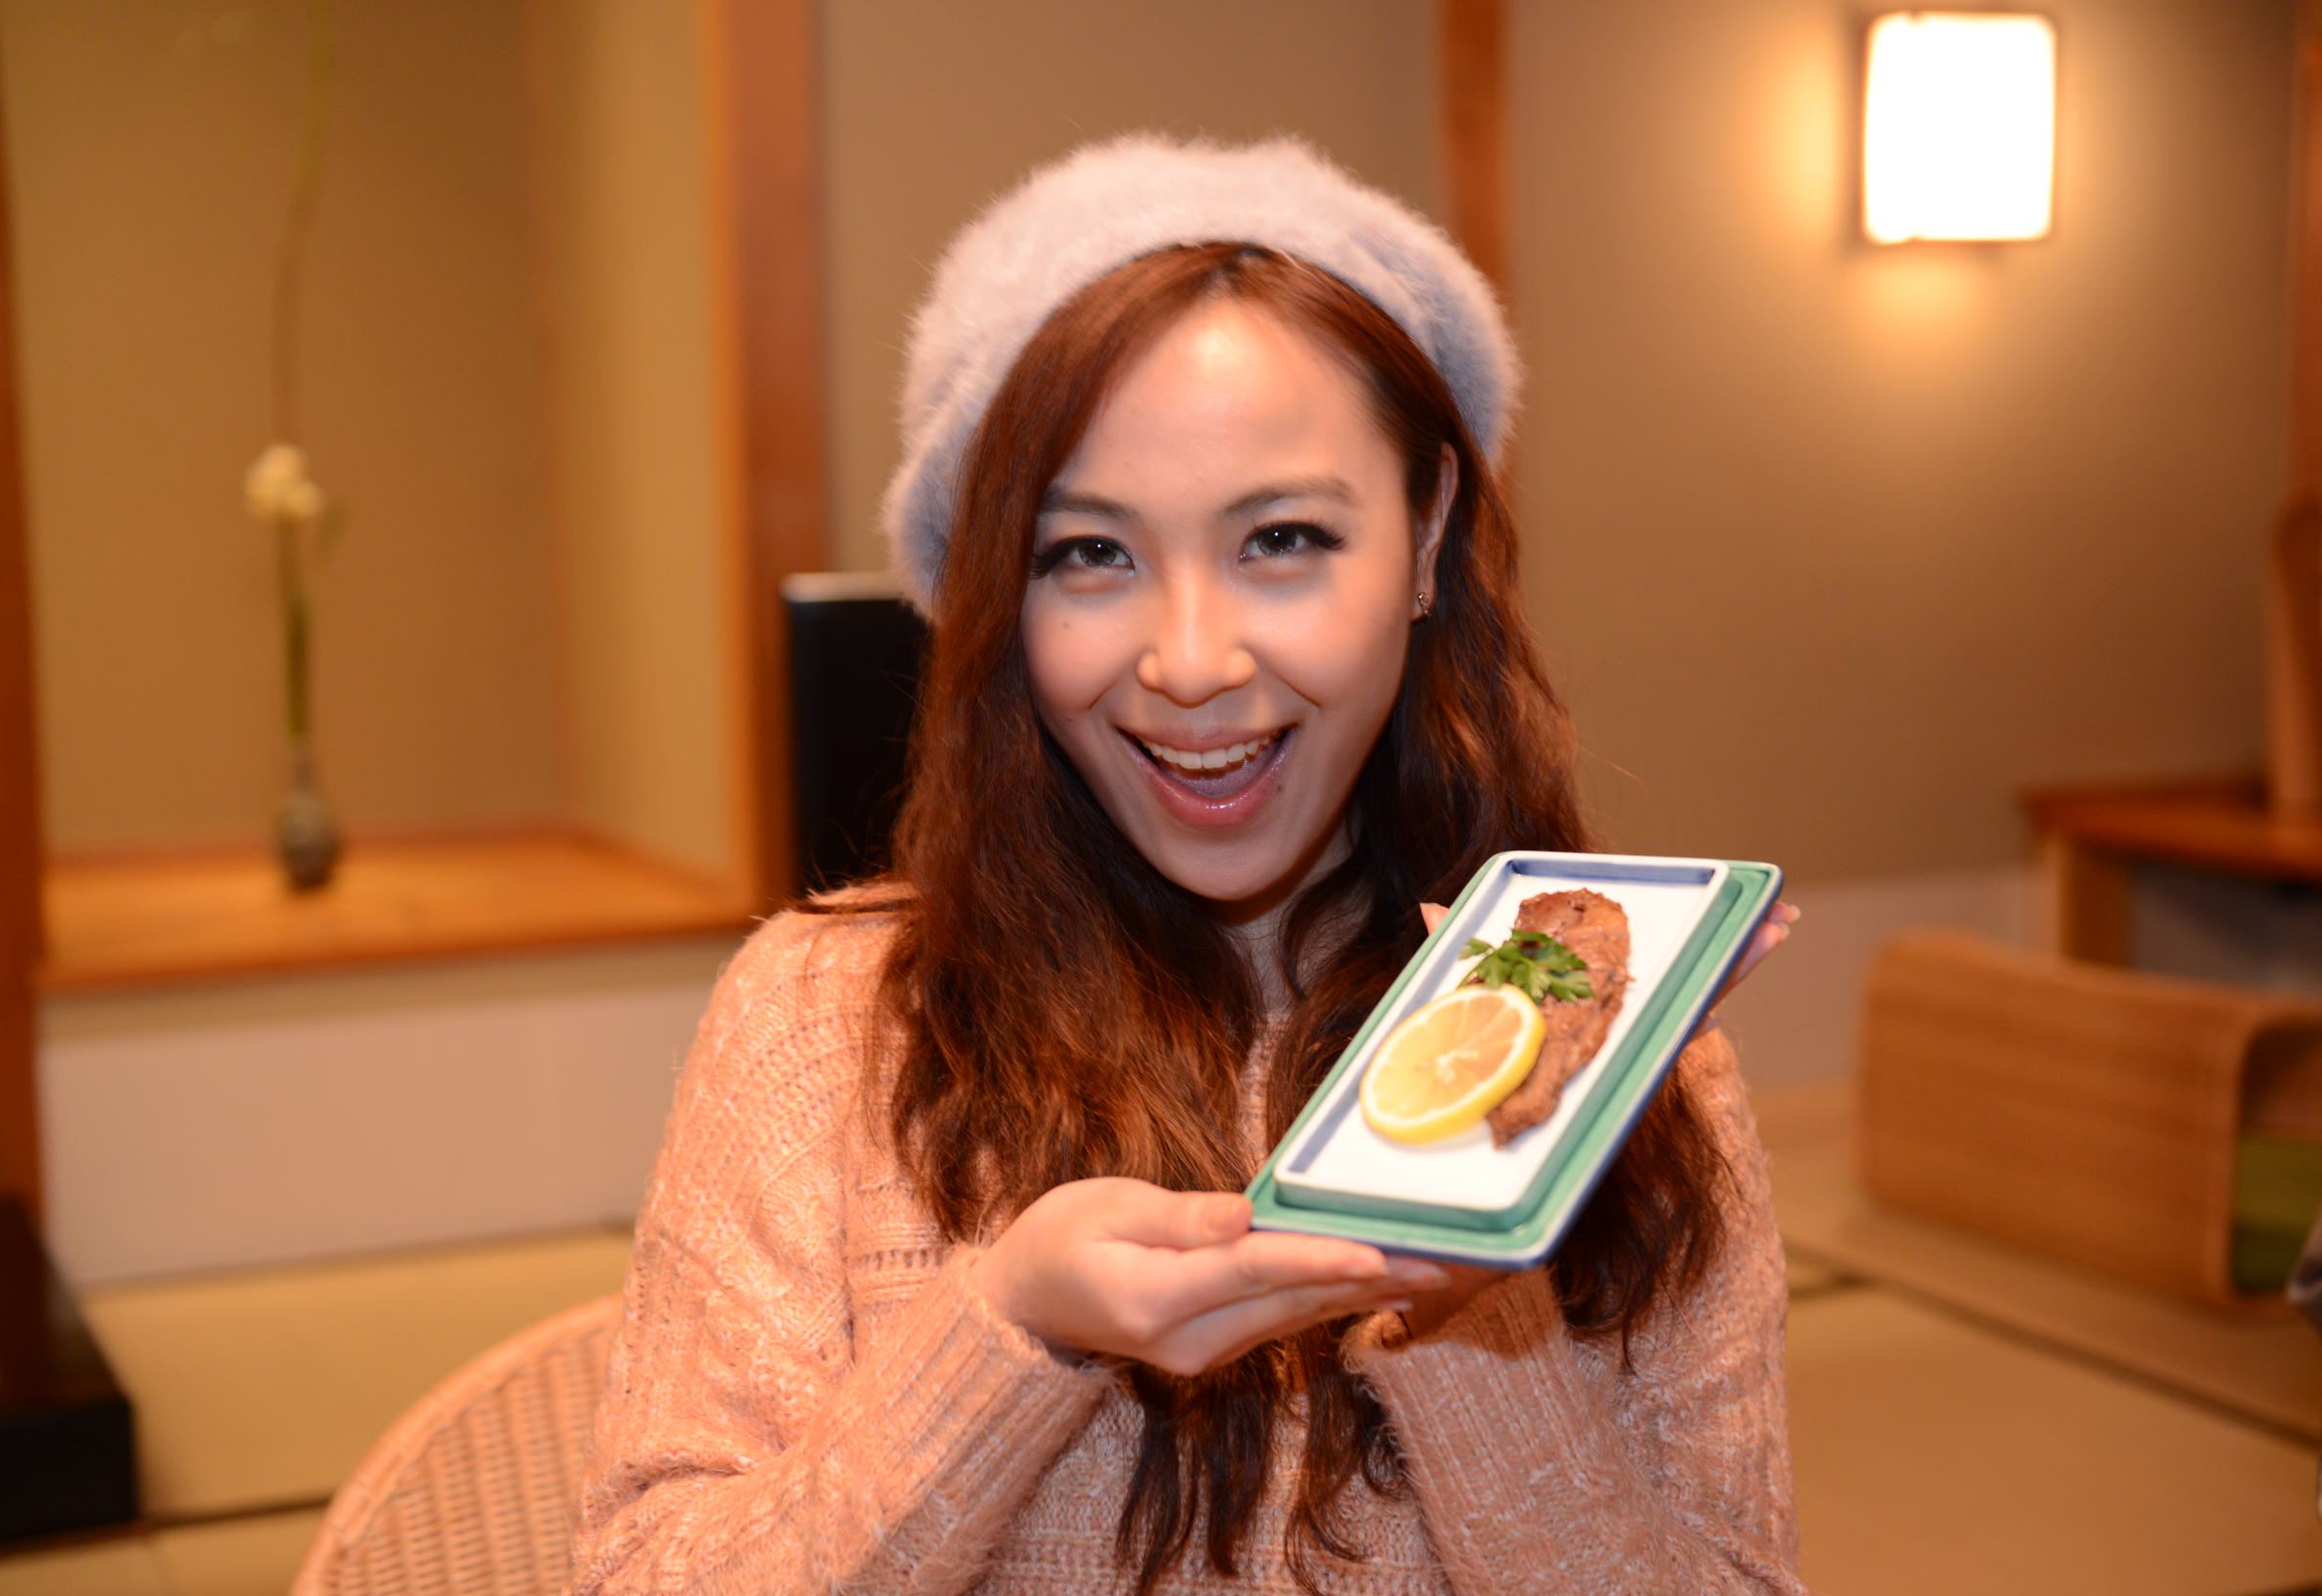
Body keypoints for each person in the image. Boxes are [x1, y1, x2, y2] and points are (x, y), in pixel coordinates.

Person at [570, 134, 1805, 1595]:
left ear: (1425, 538)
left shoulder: (1612, 1047)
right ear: (996, 592)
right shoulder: (819, 1027)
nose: (1194, 661)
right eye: (1089, 555)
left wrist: (1470, 1316)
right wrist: (1006, 1330)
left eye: (1282, 538)